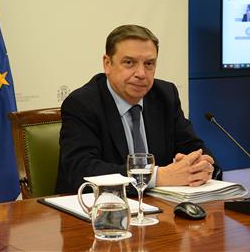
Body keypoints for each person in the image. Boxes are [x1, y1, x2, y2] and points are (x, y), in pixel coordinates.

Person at [55, 25, 222, 194]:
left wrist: (203, 166)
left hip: (160, 208)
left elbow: (193, 147)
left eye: (149, 63)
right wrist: (157, 176)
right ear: (107, 64)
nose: (141, 73)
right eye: (129, 63)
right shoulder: (82, 103)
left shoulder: (165, 95)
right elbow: (82, 170)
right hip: (96, 211)